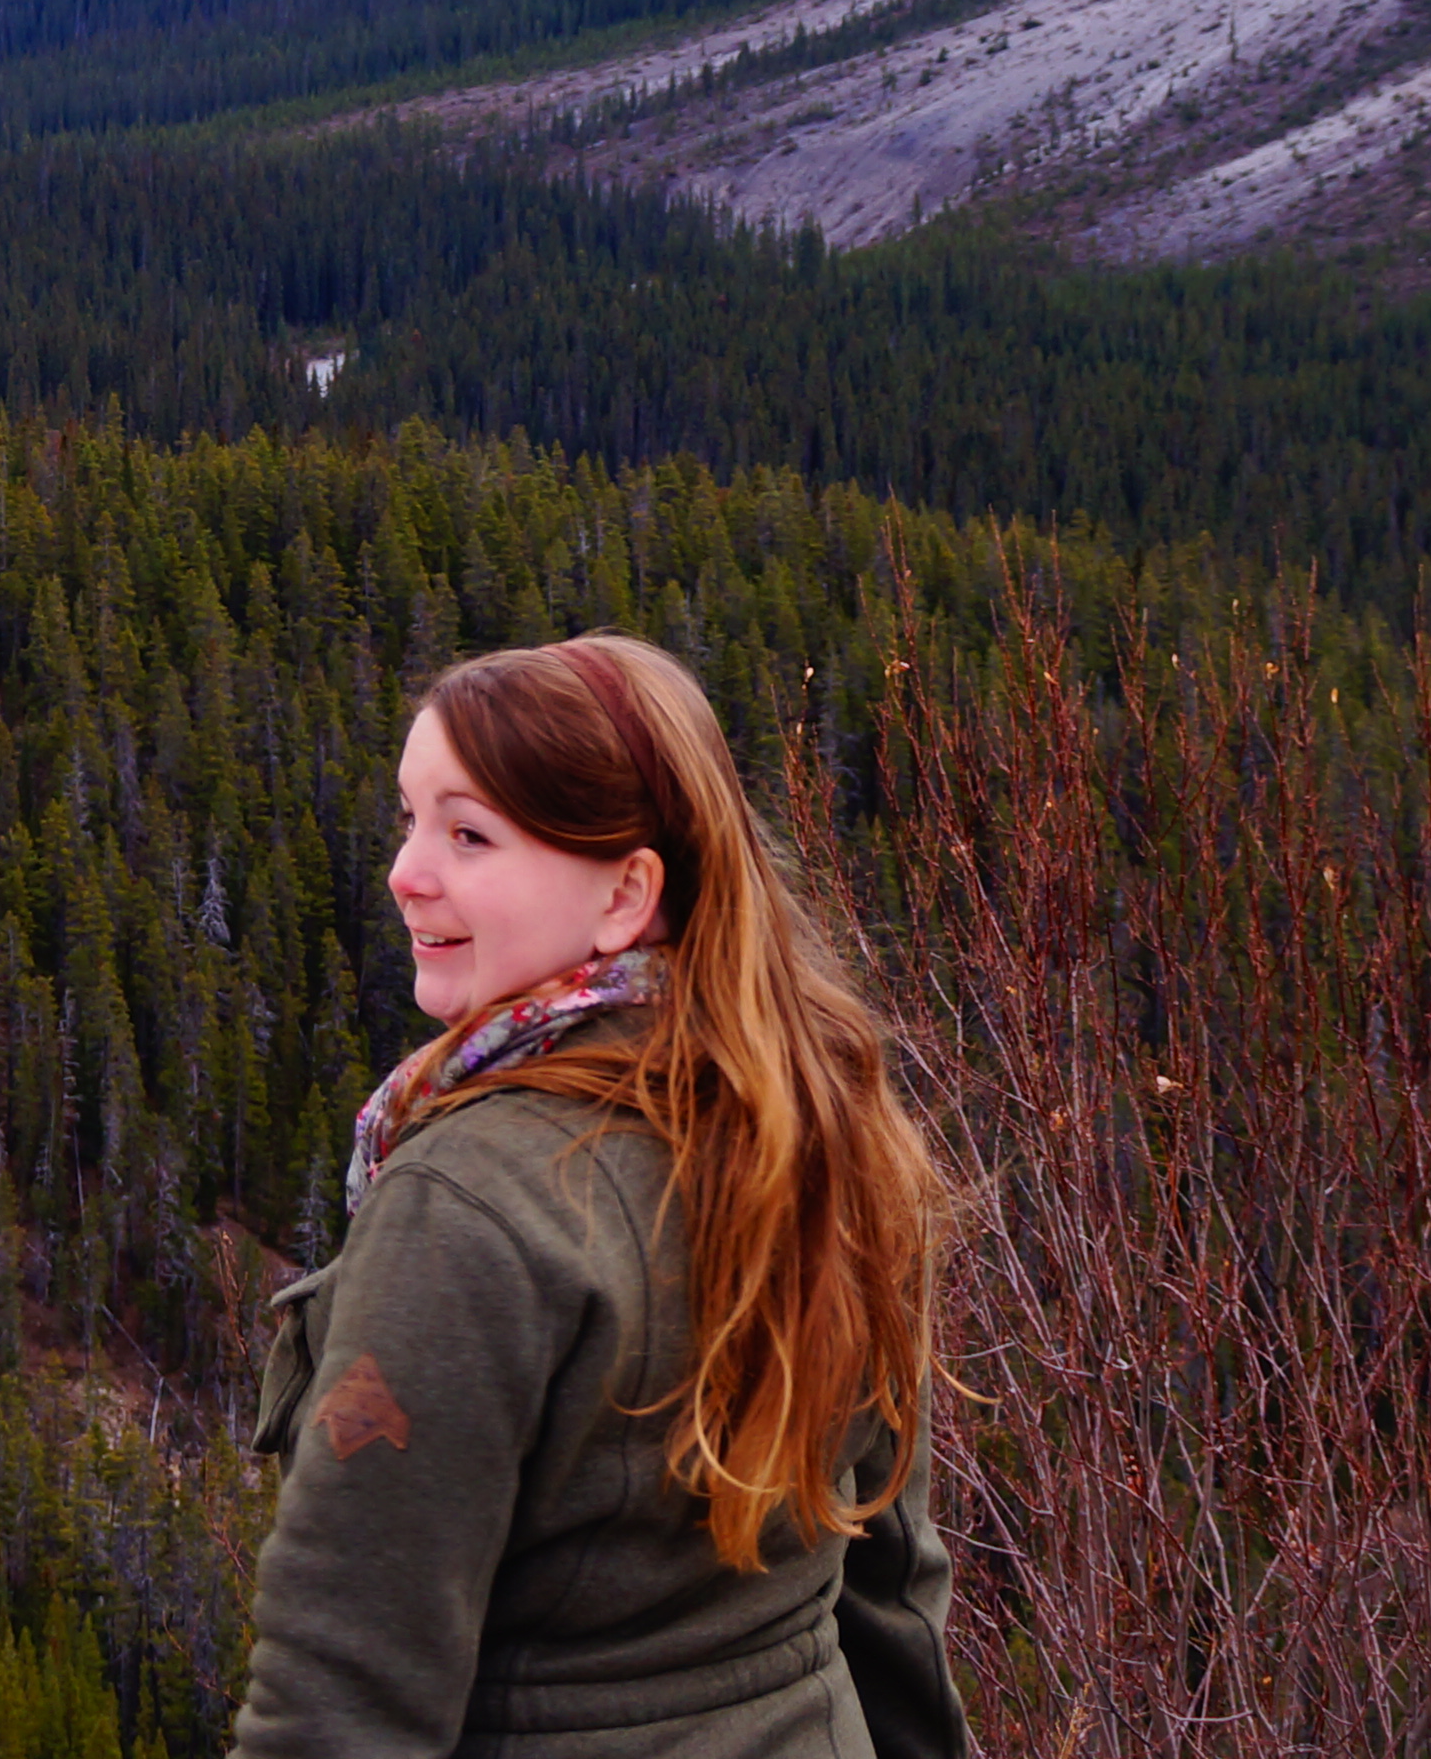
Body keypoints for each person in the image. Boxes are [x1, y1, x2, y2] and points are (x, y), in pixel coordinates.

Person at [236, 634, 959, 1756]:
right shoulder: (829, 1131)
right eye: (408, 819)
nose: (405, 873)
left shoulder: (466, 1207)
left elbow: (338, 1701)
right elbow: (890, 1584)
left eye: (469, 834)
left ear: (627, 892)